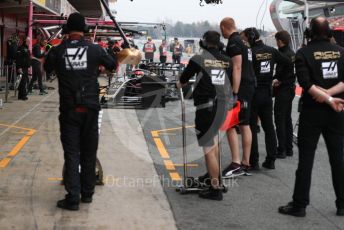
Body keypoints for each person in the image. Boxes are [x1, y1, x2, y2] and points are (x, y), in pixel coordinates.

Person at [44, 12, 118, 211]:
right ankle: (87, 194)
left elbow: (47, 67)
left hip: (69, 111)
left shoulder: (58, 51)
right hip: (91, 109)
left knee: (72, 153)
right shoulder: (95, 50)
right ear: (84, 30)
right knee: (88, 152)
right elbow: (113, 64)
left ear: (68, 30)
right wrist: (97, 68)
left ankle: (73, 197)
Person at [279, 17, 344, 217]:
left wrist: (325, 97)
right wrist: (331, 98)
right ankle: (342, 204)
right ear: (330, 33)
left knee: (306, 160)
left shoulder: (303, 53)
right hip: (337, 112)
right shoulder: (342, 52)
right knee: (338, 159)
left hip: (312, 113)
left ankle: (299, 205)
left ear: (309, 33)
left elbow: (306, 85)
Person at [177, 31, 232, 200]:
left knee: (208, 148)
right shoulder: (227, 60)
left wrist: (180, 83)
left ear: (204, 42)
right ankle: (213, 179)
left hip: (205, 107)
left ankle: (215, 189)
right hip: (222, 106)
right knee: (214, 143)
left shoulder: (199, 58)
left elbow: (183, 79)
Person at [243, 27, 288, 170]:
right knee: (269, 127)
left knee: (252, 126)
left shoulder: (251, 53)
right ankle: (271, 160)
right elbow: (288, 62)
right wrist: (278, 78)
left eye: (245, 39)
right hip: (267, 93)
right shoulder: (272, 50)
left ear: (250, 38)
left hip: (254, 93)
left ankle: (254, 161)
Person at [220, 17, 256, 177]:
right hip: (249, 85)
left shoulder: (234, 42)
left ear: (224, 27)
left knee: (230, 124)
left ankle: (236, 163)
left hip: (240, 87)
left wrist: (234, 92)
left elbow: (237, 66)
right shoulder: (245, 42)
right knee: (245, 124)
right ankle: (246, 162)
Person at [273, 30, 296, 159]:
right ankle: (289, 148)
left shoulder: (282, 54)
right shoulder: (292, 53)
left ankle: (281, 149)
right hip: (291, 88)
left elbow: (280, 74)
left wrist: (276, 80)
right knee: (287, 119)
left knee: (279, 118)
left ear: (280, 41)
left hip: (284, 89)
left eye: (277, 40)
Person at [16, 36, 31, 101]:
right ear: (25, 41)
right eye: (28, 41)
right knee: (23, 81)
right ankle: (23, 96)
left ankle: (20, 95)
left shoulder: (26, 48)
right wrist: (19, 67)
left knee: (23, 81)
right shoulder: (20, 48)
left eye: (29, 41)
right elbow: (18, 58)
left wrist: (29, 66)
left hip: (25, 67)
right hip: (21, 67)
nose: (29, 42)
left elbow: (27, 58)